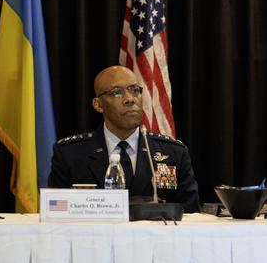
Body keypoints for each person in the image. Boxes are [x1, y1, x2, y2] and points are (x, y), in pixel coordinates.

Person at [48, 65, 200, 213]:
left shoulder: (173, 153)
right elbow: (55, 211)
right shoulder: (70, 153)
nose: (130, 99)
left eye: (135, 90)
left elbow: (191, 216)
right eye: (117, 92)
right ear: (98, 105)